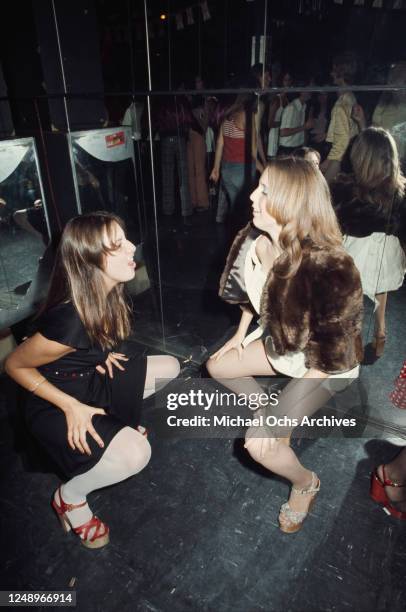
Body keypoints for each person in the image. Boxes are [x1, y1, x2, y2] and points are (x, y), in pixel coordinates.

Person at [5, 211, 180, 549]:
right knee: (135, 455)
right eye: (117, 246)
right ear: (90, 261)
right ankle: (70, 497)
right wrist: (71, 406)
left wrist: (99, 355)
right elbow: (14, 365)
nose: (132, 247)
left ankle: (112, 430)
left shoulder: (107, 290)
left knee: (169, 367)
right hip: (53, 402)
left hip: (87, 378)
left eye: (125, 238)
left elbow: (88, 342)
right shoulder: (70, 320)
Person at [207, 157, 363, 533]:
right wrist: (239, 335)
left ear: (291, 202)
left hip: (324, 366)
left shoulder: (331, 267)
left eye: (264, 190)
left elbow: (331, 358)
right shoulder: (253, 239)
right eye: (258, 187)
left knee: (259, 445)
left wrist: (280, 416)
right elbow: (248, 295)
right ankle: (269, 407)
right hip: (281, 348)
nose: (251, 196)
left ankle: (305, 483)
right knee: (217, 367)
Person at [331, 127, 406, 357]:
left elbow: (335, 225)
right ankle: (380, 332)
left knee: (352, 299)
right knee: (380, 288)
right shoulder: (400, 189)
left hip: (357, 252)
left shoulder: (345, 188)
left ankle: (356, 345)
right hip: (387, 253)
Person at [209, 94, 263, 222]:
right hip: (242, 170)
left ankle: (236, 238)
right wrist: (263, 169)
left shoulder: (226, 116)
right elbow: (252, 151)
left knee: (236, 210)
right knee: (246, 212)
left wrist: (215, 169)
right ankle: (243, 238)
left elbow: (220, 143)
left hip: (227, 171)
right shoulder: (247, 116)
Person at [321, 52, 360, 183]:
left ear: (340, 73)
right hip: (348, 157)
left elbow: (342, 140)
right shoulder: (351, 97)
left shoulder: (341, 104)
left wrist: (327, 162)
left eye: (333, 70)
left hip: (339, 160)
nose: (331, 73)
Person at [278, 85, 313, 155]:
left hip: (297, 147)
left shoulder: (304, 106)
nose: (311, 91)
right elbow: (283, 132)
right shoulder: (291, 108)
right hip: (287, 149)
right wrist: (305, 127)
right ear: (301, 91)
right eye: (309, 88)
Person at [266, 72, 292, 160]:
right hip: (274, 135)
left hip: (283, 136)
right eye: (285, 80)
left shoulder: (288, 100)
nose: (288, 83)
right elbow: (269, 123)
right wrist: (283, 123)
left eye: (289, 80)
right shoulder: (276, 100)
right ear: (281, 82)